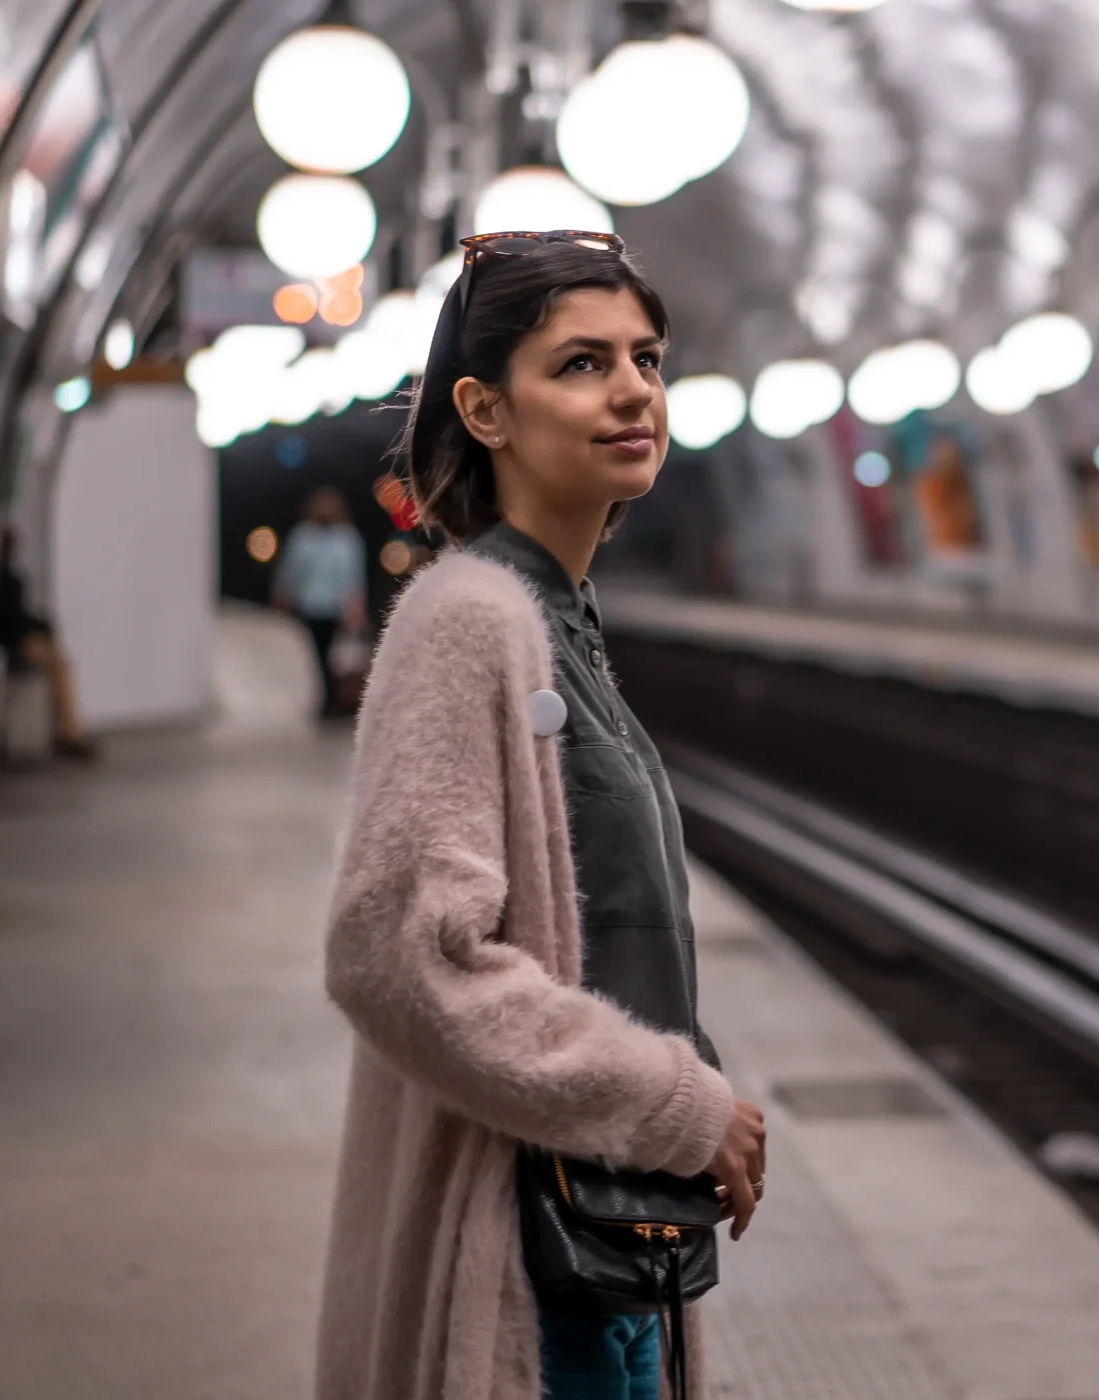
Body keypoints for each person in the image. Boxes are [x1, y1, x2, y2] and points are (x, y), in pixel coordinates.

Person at [314, 231, 767, 1400]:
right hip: (526, 1261)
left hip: (608, 1235)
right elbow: (400, 952)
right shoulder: (472, 618)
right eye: (580, 363)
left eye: (647, 358)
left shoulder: (561, 620)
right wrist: (677, 1102)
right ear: (484, 409)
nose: (633, 390)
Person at [0, 527, 98, 763]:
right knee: (59, 664)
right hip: (9, 644)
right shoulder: (2, 580)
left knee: (58, 661)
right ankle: (68, 732)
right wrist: (43, 626)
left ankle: (67, 730)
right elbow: (13, 619)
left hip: (6, 640)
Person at [273, 487, 369, 718]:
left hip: (335, 607)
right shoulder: (304, 537)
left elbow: (354, 575)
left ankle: (334, 698)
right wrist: (283, 594)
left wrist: (356, 605)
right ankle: (328, 698)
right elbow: (291, 571)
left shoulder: (346, 538)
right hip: (311, 607)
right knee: (319, 653)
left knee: (333, 656)